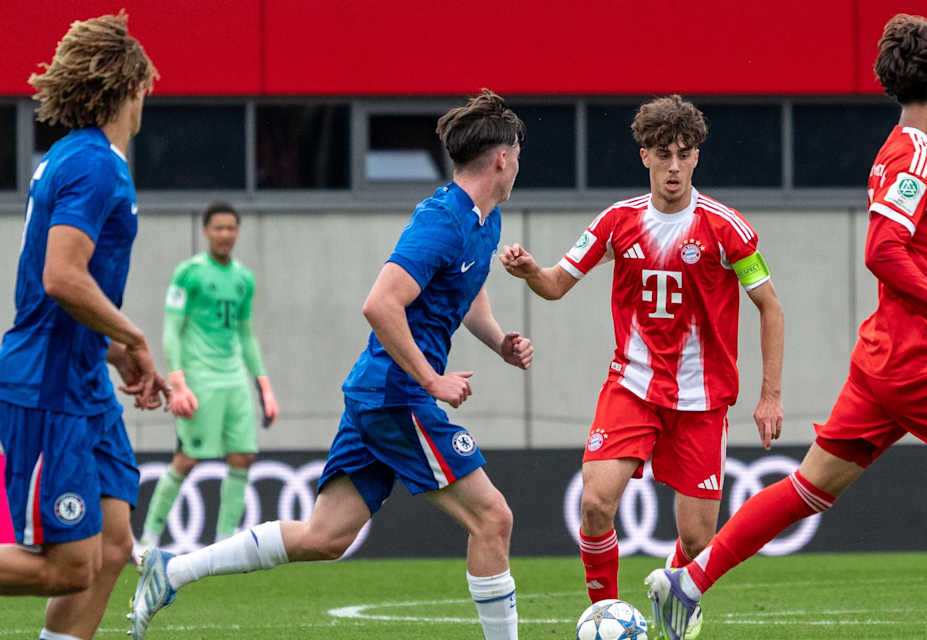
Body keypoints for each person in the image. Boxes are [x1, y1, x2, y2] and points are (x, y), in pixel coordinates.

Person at [645, 14, 927, 640]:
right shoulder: (916, 156)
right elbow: (882, 252)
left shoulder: (907, 155)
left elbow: (916, 267)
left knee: (810, 488)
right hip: (920, 362)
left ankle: (688, 582)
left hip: (885, 358)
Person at [127, 89, 533, 640]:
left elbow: (467, 291)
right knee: (494, 517)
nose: (518, 165)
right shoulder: (441, 219)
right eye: (519, 153)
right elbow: (379, 304)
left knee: (325, 537)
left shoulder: (484, 222)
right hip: (396, 397)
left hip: (380, 395)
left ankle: (171, 571)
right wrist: (432, 379)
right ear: (502, 158)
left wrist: (500, 342)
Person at [499, 95, 784, 608]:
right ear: (644, 156)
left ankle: (672, 595)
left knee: (698, 541)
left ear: (697, 156)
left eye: (684, 153)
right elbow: (558, 284)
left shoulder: (727, 229)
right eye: (663, 153)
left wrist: (770, 396)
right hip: (632, 385)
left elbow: (770, 308)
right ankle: (603, 613)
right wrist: (531, 273)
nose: (673, 166)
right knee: (594, 505)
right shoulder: (616, 221)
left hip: (702, 399)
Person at [0, 12, 168, 640]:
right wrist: (135, 338)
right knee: (70, 566)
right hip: (47, 388)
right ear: (133, 85)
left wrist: (111, 349)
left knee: (115, 543)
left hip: (81, 380)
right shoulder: (95, 165)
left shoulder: (76, 159)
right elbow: (61, 278)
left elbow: (70, 290)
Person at [138, 202, 279, 550]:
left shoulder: (244, 278)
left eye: (231, 228)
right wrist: (178, 383)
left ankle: (223, 545)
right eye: (219, 228)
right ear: (206, 231)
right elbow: (172, 329)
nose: (225, 234)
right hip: (200, 378)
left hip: (234, 379)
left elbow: (246, 335)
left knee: (243, 455)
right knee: (187, 459)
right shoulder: (189, 273)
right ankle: (148, 541)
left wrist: (265, 387)